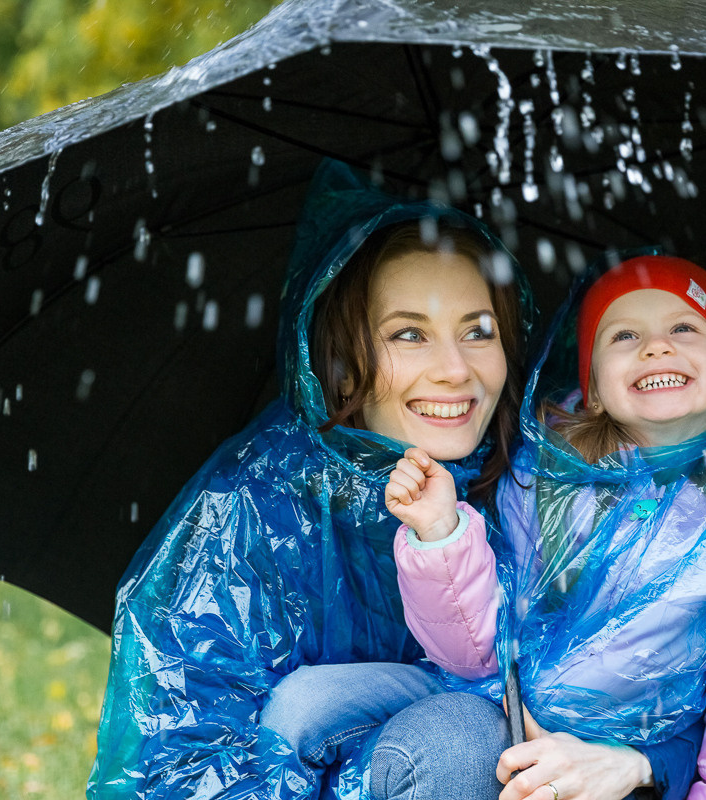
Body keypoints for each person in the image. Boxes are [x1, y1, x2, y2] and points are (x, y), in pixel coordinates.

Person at [87, 160, 530, 800]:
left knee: (464, 733)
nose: (455, 369)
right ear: (342, 366)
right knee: (404, 728)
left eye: (478, 332)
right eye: (410, 334)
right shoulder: (252, 507)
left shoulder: (536, 479)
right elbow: (183, 753)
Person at [386, 254, 706, 800]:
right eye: (625, 334)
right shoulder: (542, 484)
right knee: (311, 708)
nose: (657, 347)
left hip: (634, 781)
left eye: (684, 328)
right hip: (502, 733)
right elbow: (474, 649)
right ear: (595, 389)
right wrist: (440, 535)